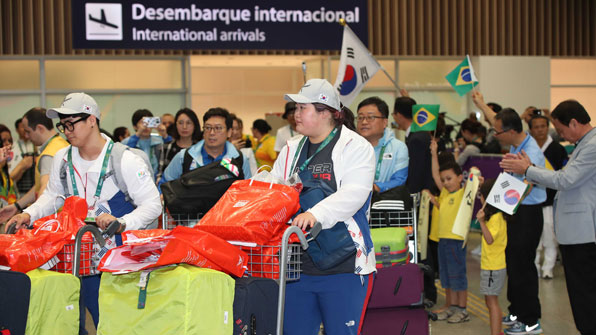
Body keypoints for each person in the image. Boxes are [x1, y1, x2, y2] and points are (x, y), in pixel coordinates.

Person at [5, 92, 162, 332]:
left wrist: (122, 222)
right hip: (80, 255)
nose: (66, 130)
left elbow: (153, 204)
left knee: (117, 321)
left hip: (120, 257)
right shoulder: (63, 158)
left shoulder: (123, 159)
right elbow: (51, 197)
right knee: (74, 314)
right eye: (62, 125)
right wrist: (28, 214)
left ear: (92, 120)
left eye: (71, 123)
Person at [273, 78, 375, 335]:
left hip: (344, 265)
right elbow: (273, 189)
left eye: (302, 108)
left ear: (325, 112)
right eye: (295, 108)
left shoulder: (355, 146)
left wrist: (314, 214)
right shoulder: (291, 149)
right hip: (296, 266)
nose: (295, 114)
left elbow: (355, 194)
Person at [500, 100, 596, 335]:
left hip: (580, 231)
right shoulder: (583, 143)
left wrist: (529, 169)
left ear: (574, 122)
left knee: (584, 293)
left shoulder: (592, 145)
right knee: (579, 292)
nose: (560, 135)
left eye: (561, 130)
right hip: (572, 230)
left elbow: (565, 180)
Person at [473, 91, 546, 335]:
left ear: (511, 131)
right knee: (513, 263)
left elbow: (526, 188)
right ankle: (516, 312)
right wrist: (481, 103)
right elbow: (496, 118)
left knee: (523, 265)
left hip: (527, 212)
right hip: (515, 212)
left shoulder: (530, 153)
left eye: (498, 132)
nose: (495, 135)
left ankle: (531, 321)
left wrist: (495, 198)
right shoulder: (517, 140)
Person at [424, 139, 470, 324]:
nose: (445, 182)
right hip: (443, 240)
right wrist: (434, 153)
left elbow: (474, 182)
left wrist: (477, 179)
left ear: (460, 177)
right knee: (445, 275)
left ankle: (462, 309)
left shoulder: (463, 193)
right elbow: (436, 173)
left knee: (458, 275)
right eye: (444, 180)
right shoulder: (445, 193)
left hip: (456, 241)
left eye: (449, 179)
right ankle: (451, 307)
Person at [0, 108, 69, 224]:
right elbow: (41, 186)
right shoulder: (61, 145)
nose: (26, 136)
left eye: (28, 131)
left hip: (53, 220)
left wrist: (31, 216)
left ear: (40, 128)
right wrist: (17, 205)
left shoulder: (49, 154)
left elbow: (46, 191)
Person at [161, 107, 252, 185]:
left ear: (229, 132)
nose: (212, 133)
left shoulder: (239, 159)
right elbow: (165, 184)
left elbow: (248, 191)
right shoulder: (185, 157)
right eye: (208, 128)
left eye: (218, 128)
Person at [528, 115, 568, 279]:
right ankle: (535, 266)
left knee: (550, 236)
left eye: (542, 126)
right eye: (536, 127)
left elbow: (564, 174)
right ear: (530, 129)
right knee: (533, 238)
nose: (539, 130)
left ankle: (548, 268)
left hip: (550, 201)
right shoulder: (528, 148)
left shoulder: (557, 149)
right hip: (531, 200)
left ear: (548, 127)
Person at [356, 96, 408, 192]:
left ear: (385, 122)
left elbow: (399, 180)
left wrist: (376, 187)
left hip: (385, 203)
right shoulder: (352, 147)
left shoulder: (398, 148)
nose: (364, 122)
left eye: (370, 117)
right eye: (360, 117)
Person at [476, 178, 509, 335]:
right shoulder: (496, 216)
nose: (480, 198)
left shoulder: (496, 218)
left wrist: (482, 223)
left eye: (481, 194)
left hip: (493, 267)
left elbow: (489, 240)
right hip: (491, 265)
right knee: (489, 301)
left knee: (492, 302)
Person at [392, 95, 433, 193]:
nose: (393, 117)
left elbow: (416, 173)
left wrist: (410, 196)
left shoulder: (416, 139)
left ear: (399, 115)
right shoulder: (419, 133)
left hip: (421, 195)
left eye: (393, 114)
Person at [121, 109, 172, 177]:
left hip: (156, 179)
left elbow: (171, 150)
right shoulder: (127, 141)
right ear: (134, 126)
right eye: (142, 123)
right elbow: (124, 155)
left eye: (149, 122)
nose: (146, 126)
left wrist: (165, 135)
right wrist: (138, 133)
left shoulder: (159, 141)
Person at [157, 108, 202, 181]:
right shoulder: (167, 146)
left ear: (195, 125)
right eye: (180, 123)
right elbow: (161, 172)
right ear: (176, 125)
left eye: (188, 123)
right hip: (171, 188)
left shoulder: (201, 148)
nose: (184, 127)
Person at [8, 118, 36, 196]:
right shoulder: (13, 147)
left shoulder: (36, 145)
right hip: (19, 189)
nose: (25, 130)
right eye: (22, 127)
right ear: (17, 130)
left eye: (26, 128)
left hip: (35, 186)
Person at [0, 125, 17, 209]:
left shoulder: (4, 173)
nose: (8, 144)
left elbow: (11, 198)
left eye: (9, 140)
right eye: (3, 141)